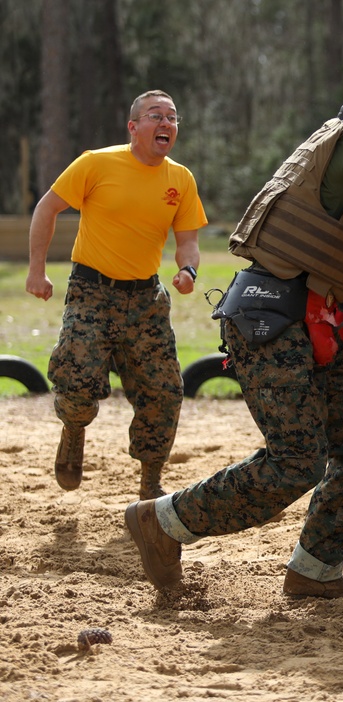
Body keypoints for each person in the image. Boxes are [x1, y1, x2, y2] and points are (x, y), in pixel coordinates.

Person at [124, 54, 343, 599]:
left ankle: (315, 569)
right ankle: (162, 522)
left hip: (307, 321)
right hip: (272, 319)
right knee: (296, 460)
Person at [26, 89, 207, 501]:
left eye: (173, 118)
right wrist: (37, 271)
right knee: (75, 387)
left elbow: (188, 241)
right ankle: (73, 432)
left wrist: (187, 269)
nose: (166, 123)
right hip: (92, 291)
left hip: (147, 299)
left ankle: (150, 484)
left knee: (164, 392)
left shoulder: (181, 179)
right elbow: (46, 208)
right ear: (133, 127)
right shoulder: (96, 163)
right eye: (155, 116)